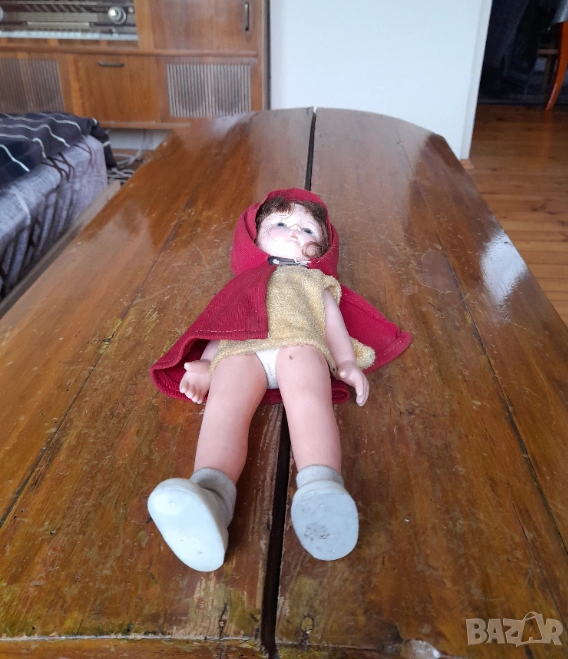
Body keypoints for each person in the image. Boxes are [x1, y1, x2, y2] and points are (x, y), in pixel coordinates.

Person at [148, 188, 411, 571]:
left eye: (308, 230)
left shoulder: (316, 283)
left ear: (322, 248)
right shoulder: (244, 281)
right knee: (224, 406)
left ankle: (321, 488)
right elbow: (223, 324)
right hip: (242, 351)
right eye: (282, 224)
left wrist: (345, 362)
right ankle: (211, 497)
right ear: (255, 239)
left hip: (299, 346)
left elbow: (333, 325)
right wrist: (205, 364)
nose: (294, 232)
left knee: (309, 401)